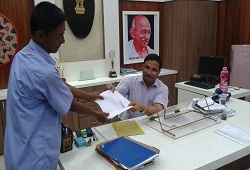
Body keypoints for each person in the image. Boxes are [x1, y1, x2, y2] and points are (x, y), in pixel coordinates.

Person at [4, 2, 109, 170]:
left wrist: (91, 96)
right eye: (59, 36)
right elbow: (69, 104)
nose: (63, 40)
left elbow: (59, 85)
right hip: (35, 158)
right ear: (40, 35)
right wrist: (96, 114)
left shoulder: (22, 57)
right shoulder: (43, 72)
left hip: (17, 151)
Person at [108, 53, 168, 120]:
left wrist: (143, 108)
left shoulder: (162, 88)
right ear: (143, 67)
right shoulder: (130, 81)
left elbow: (158, 109)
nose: (149, 72)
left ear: (158, 72)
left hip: (151, 124)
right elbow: (115, 95)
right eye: (147, 67)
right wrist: (110, 90)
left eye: (153, 70)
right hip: (130, 122)